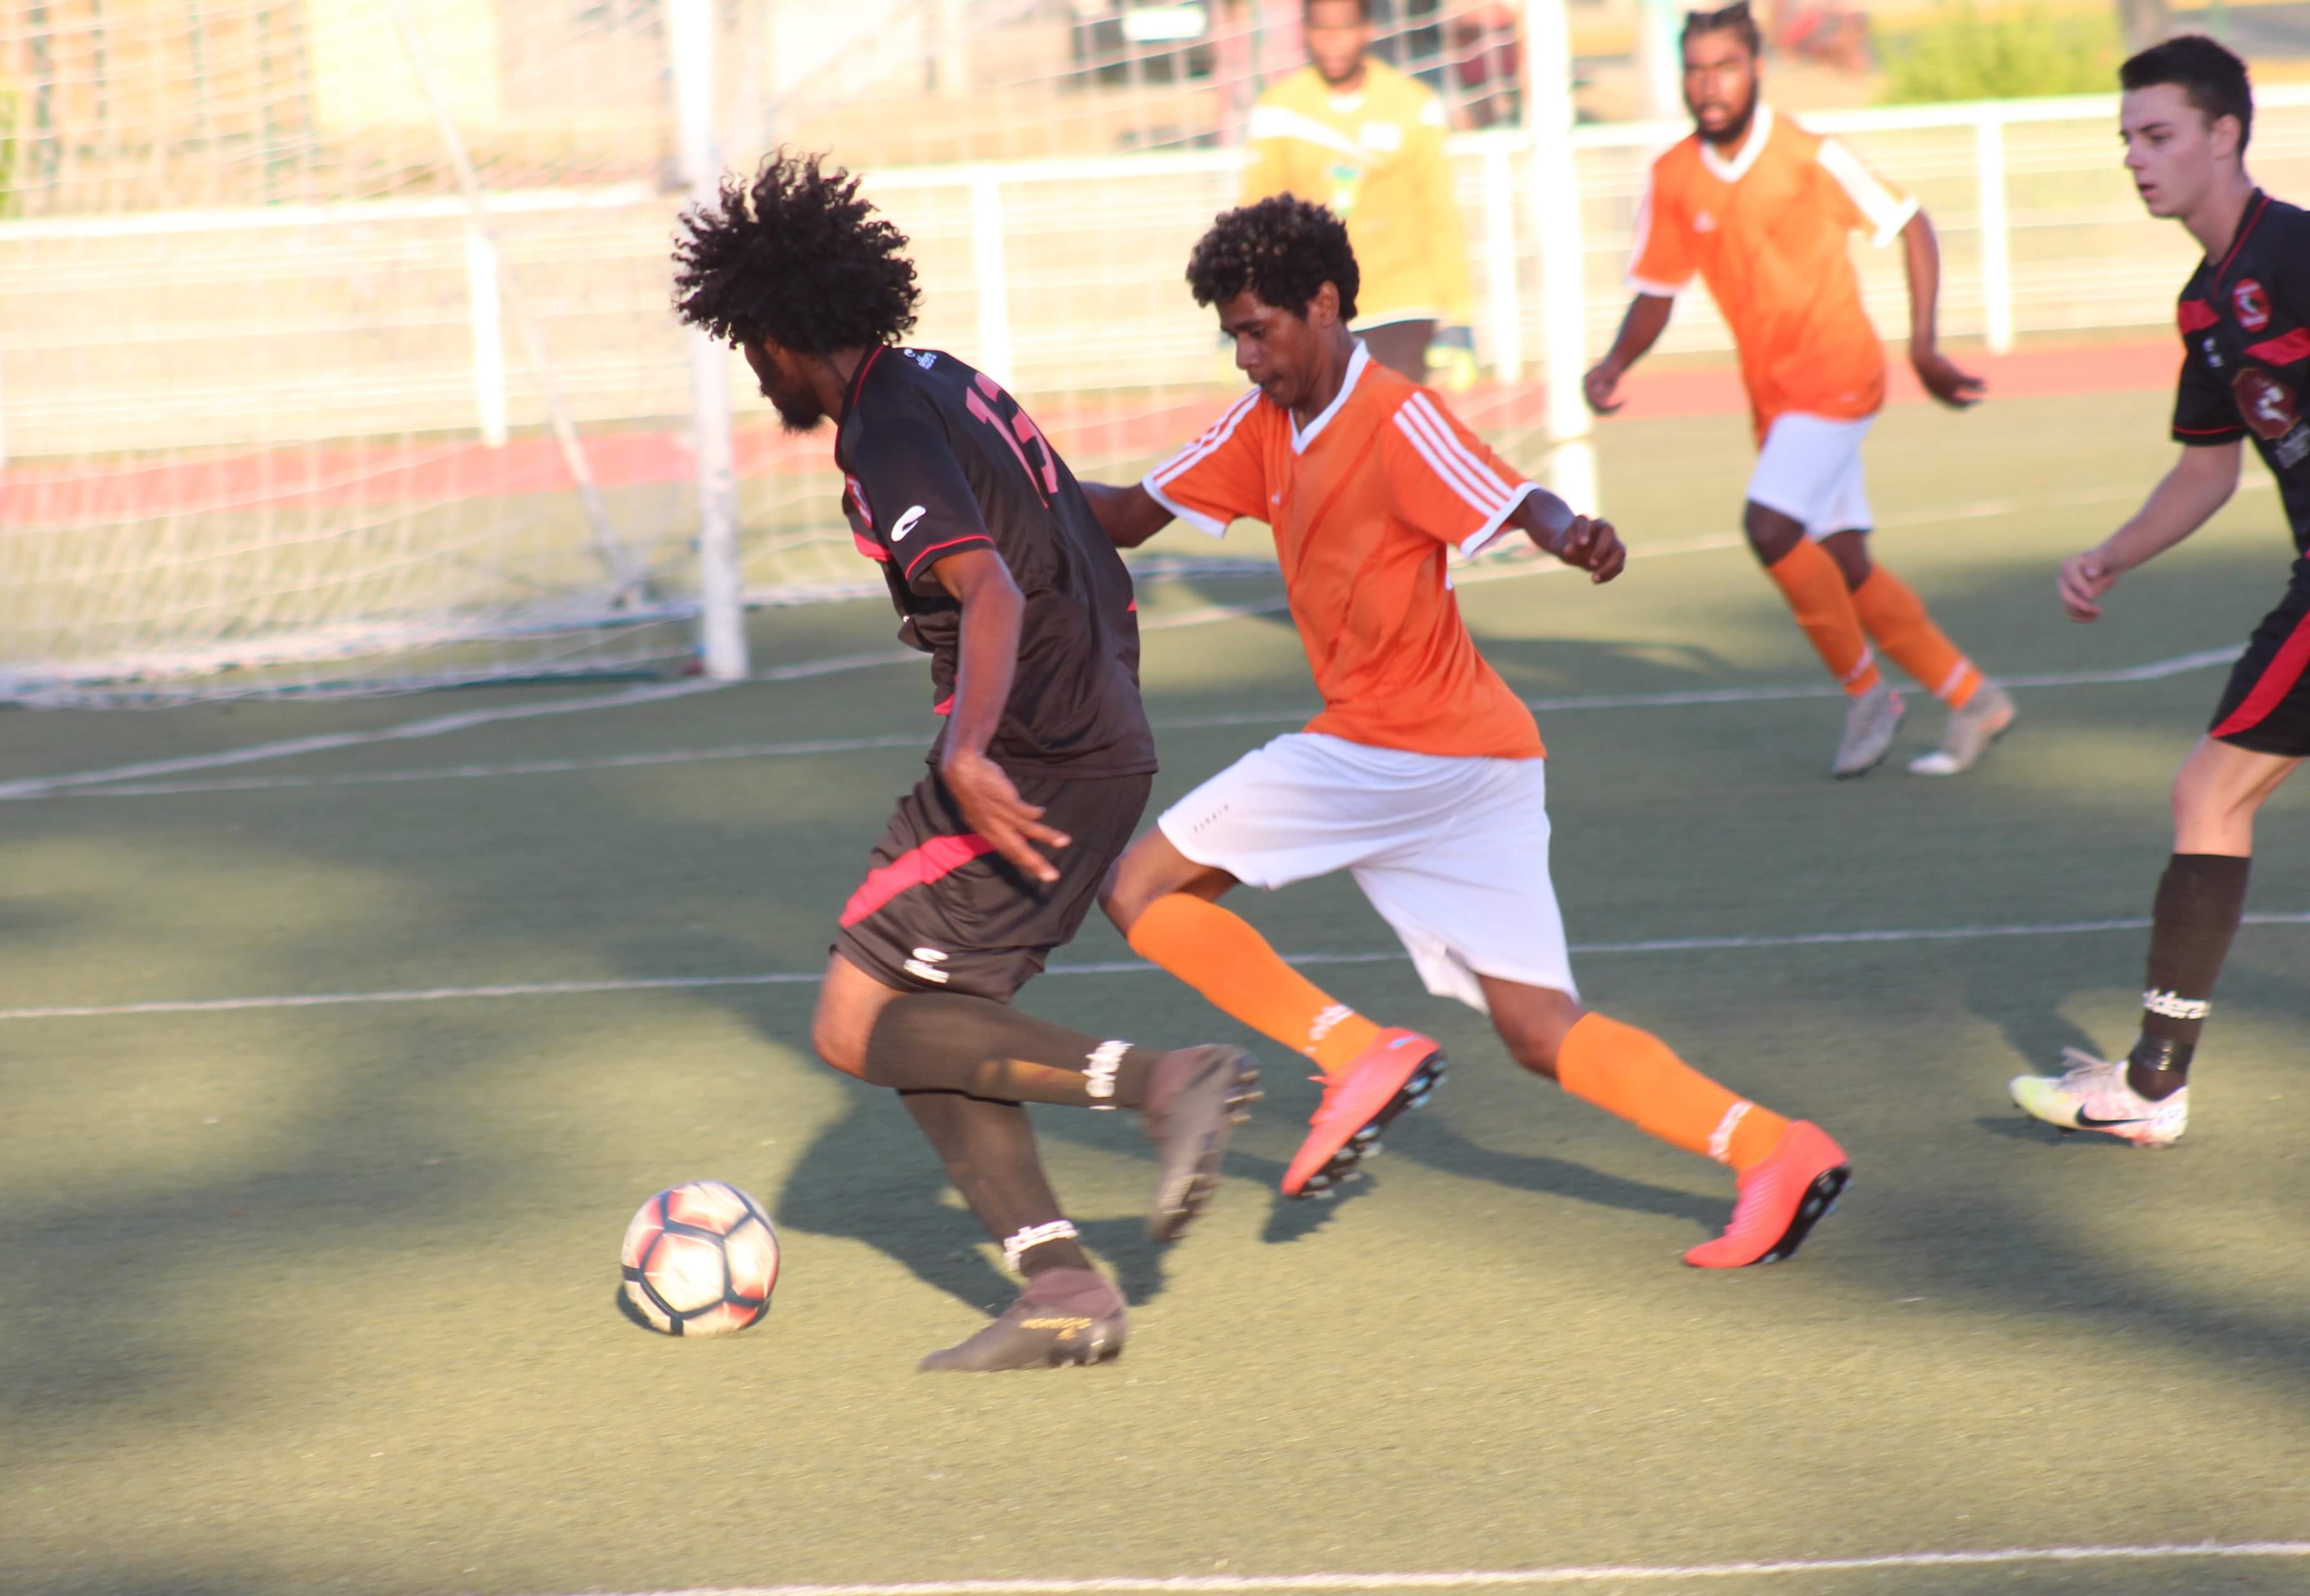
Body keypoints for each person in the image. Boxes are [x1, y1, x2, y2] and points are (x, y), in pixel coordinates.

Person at [1083, 193, 1852, 1269]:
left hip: (1395, 746)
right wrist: (1004, 477)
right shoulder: (1261, 425)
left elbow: (1517, 494)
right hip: (1475, 764)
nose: (1247, 357)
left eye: (1259, 330)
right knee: (1539, 1030)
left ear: (1324, 304)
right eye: (1233, 337)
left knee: (1138, 889)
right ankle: (1776, 1150)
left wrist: (1569, 535)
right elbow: (1121, 515)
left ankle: (1356, 1053)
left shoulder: (1395, 416)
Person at [670, 155, 1258, 1370]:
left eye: (749, 346)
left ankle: (1162, 1082)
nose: (756, 372)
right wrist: (1194, 494)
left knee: (853, 1023)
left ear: (780, 332)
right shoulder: (948, 380)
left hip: (1031, 751)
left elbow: (987, 586)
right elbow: (1074, 509)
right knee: (937, 1016)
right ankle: (1063, 1291)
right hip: (1104, 740)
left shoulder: (881, 429)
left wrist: (972, 754)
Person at [1583, 1, 2013, 779]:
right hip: (1775, 401)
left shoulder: (1809, 155)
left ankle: (1866, 695)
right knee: (1844, 563)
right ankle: (1974, 697)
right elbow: (1655, 291)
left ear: (1757, 70)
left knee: (1770, 526)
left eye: (1725, 67)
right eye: (1696, 69)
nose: (1709, 85)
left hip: (1841, 374)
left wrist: (1922, 347)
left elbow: (1911, 223)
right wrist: (1615, 363)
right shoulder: (1673, 177)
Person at [2012, 37, 2299, 1147]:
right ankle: (2151, 1080)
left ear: (2225, 136)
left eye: (2158, 135)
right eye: (2127, 139)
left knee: (2208, 795)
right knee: (2211, 798)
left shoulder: (2300, 252)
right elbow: (2206, 470)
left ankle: (2151, 1085)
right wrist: (2113, 554)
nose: (2136, 158)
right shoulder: (2204, 305)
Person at [1241, 0, 1478, 388]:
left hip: (1400, 307)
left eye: (1345, 29)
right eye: (1322, 31)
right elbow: (1257, 219)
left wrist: (1460, 315)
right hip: (1312, 313)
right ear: (1306, 33)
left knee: (1388, 437)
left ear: (1368, 30)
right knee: (1319, 441)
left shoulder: (1413, 105)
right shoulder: (1279, 111)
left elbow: (1440, 215)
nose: (1333, 44)